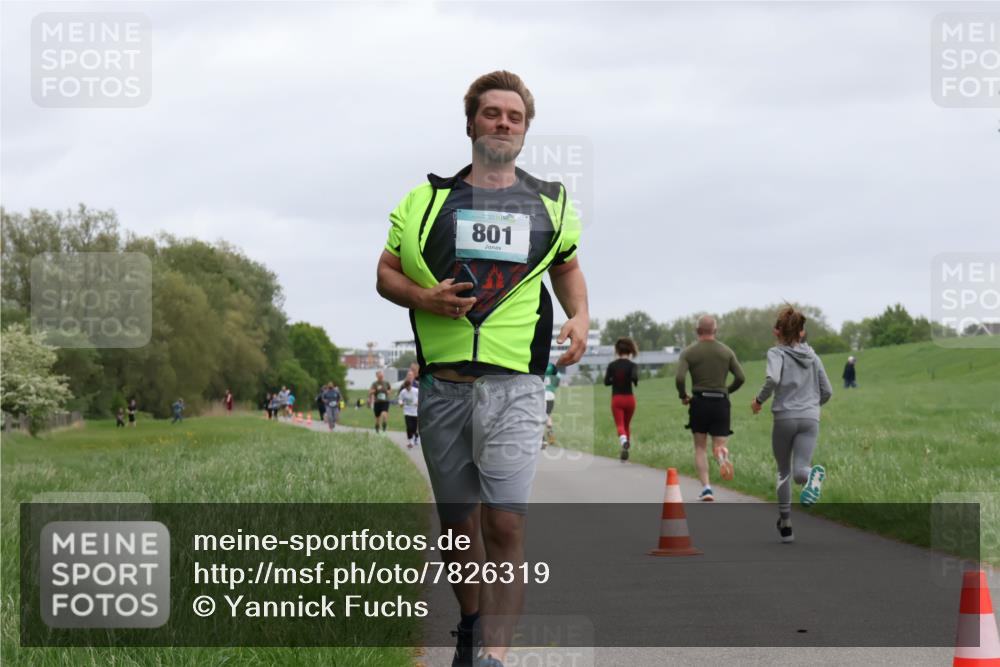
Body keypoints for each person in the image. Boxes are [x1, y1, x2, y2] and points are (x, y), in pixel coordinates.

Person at [375, 71, 587, 667]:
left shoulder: (551, 201)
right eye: (491, 113)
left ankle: (494, 657)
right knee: (460, 528)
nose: (502, 123)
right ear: (471, 123)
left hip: (516, 387)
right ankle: (470, 628)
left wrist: (582, 314)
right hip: (444, 389)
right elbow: (385, 273)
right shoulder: (425, 202)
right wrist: (424, 298)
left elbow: (566, 267)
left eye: (514, 116)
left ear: (525, 130)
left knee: (505, 525)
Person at [751, 306, 833, 543]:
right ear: (802, 332)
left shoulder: (777, 354)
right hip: (810, 419)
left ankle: (786, 525)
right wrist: (811, 407)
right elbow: (827, 391)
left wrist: (758, 400)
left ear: (776, 331)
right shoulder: (813, 356)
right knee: (800, 471)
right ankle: (812, 476)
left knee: (784, 471)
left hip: (785, 418)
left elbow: (773, 378)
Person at [675, 315, 746, 501]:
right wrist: (726, 391)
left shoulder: (689, 352)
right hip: (721, 403)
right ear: (715, 331)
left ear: (697, 331)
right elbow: (741, 377)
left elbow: (680, 378)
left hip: (699, 402)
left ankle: (707, 488)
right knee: (719, 444)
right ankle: (722, 454)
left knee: (700, 447)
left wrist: (683, 396)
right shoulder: (726, 351)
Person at [604, 338, 639, 460]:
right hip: (630, 399)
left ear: (617, 350)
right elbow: (635, 378)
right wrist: (633, 380)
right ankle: (625, 449)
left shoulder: (612, 366)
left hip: (617, 399)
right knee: (627, 425)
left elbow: (606, 382)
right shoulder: (633, 365)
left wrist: (615, 379)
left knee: (620, 425)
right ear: (630, 350)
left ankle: (624, 442)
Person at [397, 377, 420, 448]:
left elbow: (421, 397)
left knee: (414, 427)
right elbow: (400, 399)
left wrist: (418, 402)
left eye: (409, 387)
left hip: (415, 412)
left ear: (411, 385)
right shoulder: (403, 392)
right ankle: (410, 441)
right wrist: (400, 403)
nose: (408, 388)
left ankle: (416, 436)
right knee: (409, 427)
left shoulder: (416, 390)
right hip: (407, 411)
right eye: (406, 387)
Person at [542, 362, 560, 448]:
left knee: (540, 417)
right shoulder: (555, 378)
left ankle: (542, 440)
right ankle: (550, 433)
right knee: (548, 415)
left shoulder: (540, 376)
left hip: (542, 396)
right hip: (551, 397)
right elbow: (556, 385)